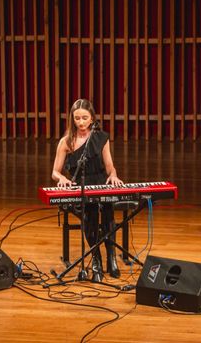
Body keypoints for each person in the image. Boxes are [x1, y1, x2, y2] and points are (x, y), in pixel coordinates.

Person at [52, 99, 124, 282]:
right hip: (81, 185)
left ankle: (111, 258)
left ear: (92, 118)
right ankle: (96, 259)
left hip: (100, 182)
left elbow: (110, 167)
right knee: (90, 216)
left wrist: (113, 175)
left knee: (107, 212)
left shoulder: (101, 138)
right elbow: (55, 172)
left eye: (85, 118)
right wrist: (62, 178)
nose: (81, 122)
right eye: (77, 118)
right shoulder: (66, 142)